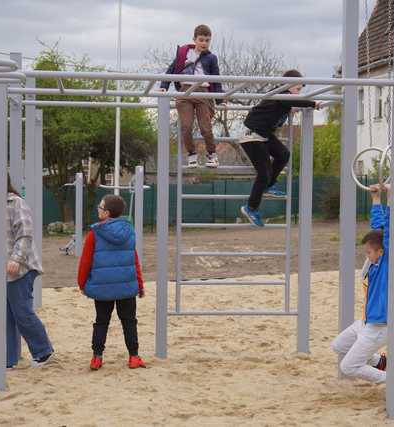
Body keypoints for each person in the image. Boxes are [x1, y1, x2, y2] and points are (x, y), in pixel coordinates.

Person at [238, 69, 321, 226]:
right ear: (288, 85)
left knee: (283, 154)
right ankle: (250, 207)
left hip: (264, 135)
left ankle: (269, 185)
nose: (299, 92)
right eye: (297, 89)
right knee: (264, 173)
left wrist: (293, 108)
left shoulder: (285, 101)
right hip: (252, 137)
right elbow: (295, 101)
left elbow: (290, 105)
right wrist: (313, 104)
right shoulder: (280, 93)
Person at [0, 173, 54, 369]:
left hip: (19, 267)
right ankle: (7, 359)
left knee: (22, 312)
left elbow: (25, 234)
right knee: (2, 314)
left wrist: (16, 259)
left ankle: (44, 351)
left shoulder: (15, 203)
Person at [77, 195, 146, 371]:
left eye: (100, 207)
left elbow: (86, 260)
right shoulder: (130, 231)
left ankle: (97, 357)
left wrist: (82, 283)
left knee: (101, 321)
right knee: (129, 321)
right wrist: (139, 283)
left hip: (103, 286)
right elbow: (134, 258)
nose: (98, 209)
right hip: (126, 286)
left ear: (106, 213)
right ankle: (134, 356)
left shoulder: (95, 233)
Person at [331, 183, 390, 384]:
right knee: (338, 345)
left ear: (380, 252)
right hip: (366, 322)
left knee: (348, 366)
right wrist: (376, 199)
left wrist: (390, 197)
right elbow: (378, 230)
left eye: (369, 252)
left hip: (379, 327)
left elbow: (388, 233)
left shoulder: (385, 264)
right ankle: (379, 362)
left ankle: (391, 379)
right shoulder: (374, 261)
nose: (367, 255)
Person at [159, 24, 223, 168]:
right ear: (194, 39)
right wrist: (164, 87)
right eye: (201, 40)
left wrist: (220, 100)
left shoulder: (211, 58)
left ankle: (212, 154)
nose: (204, 43)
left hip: (203, 92)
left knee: (205, 127)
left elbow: (216, 78)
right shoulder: (183, 54)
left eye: (207, 40)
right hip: (185, 91)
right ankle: (192, 154)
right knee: (186, 126)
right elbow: (171, 71)